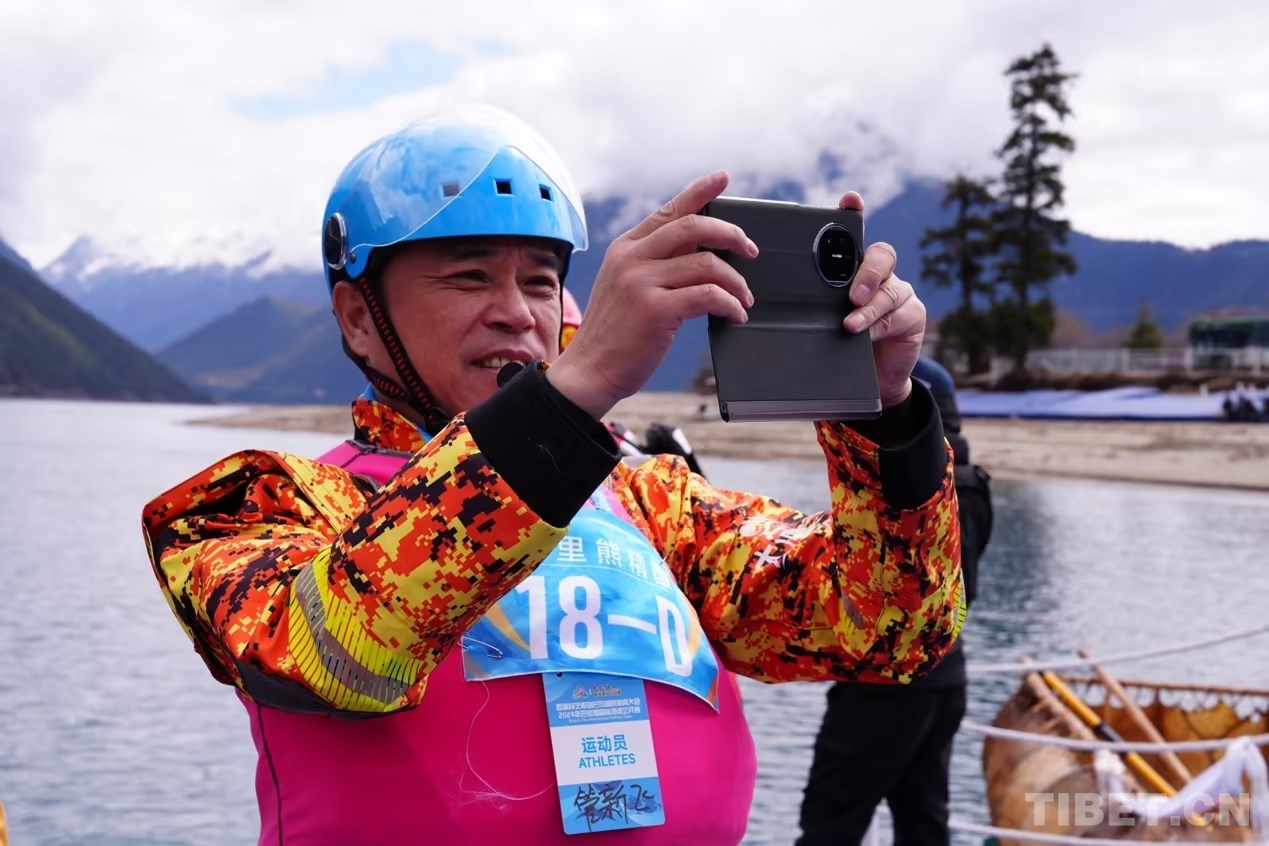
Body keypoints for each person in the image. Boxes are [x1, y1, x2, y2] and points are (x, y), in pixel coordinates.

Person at [140, 104, 965, 845]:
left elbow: (888, 630)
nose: (517, 312)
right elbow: (335, 653)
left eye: (540, 281)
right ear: (359, 318)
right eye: (469, 276)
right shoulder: (251, 505)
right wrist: (571, 397)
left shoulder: (653, 500)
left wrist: (885, 419)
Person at [797, 356, 993, 846]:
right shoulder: (972, 483)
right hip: (947, 676)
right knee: (924, 819)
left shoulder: (910, 492)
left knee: (830, 823)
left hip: (884, 682)